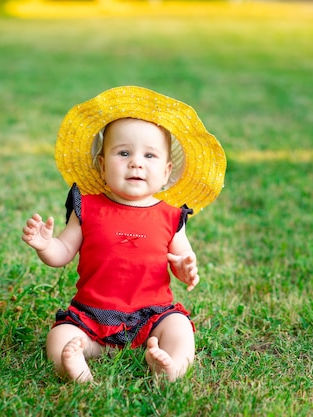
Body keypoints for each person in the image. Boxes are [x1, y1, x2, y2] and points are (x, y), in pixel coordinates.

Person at [22, 86, 226, 382]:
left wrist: (185, 268)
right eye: (124, 153)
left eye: (150, 156)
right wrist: (45, 245)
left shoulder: (171, 215)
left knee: (180, 327)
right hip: (91, 314)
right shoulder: (87, 208)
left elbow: (183, 256)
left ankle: (171, 366)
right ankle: (77, 361)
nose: (136, 162)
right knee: (61, 335)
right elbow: (62, 253)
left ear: (168, 171)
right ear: (102, 166)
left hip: (152, 315)